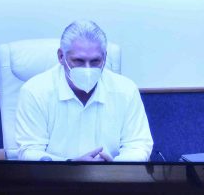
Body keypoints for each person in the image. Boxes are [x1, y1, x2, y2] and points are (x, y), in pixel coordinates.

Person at [15, 20, 153, 162]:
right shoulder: (35, 91)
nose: (87, 69)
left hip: (112, 181)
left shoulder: (126, 90)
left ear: (105, 58)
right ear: (61, 57)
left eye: (95, 61)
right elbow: (29, 151)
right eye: (79, 61)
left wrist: (114, 167)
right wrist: (71, 166)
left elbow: (139, 146)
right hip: (54, 181)